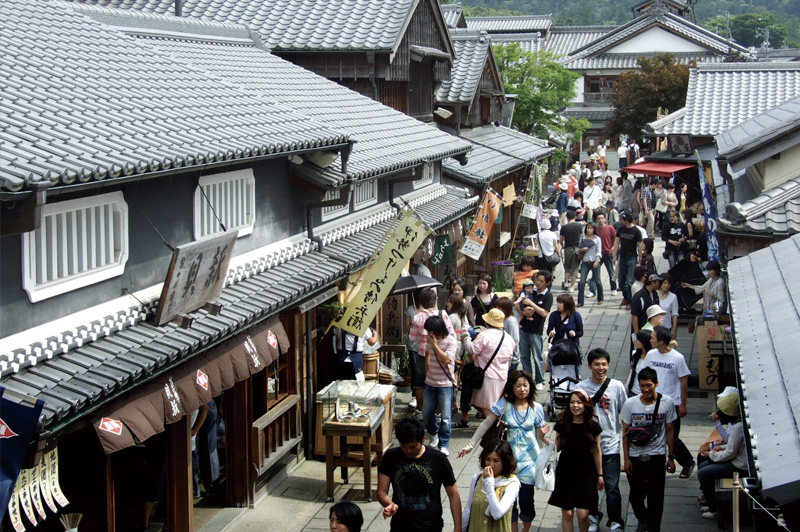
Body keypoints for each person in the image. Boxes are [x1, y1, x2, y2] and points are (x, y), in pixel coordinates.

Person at [459, 370, 549, 532]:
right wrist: (470, 445)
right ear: (511, 388)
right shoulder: (504, 405)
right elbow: (486, 424)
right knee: (509, 502)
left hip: (529, 463)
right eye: (518, 386)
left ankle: (526, 529)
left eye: (525, 385)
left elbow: (539, 437)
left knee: (527, 502)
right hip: (508, 462)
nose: (522, 389)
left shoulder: (536, 408)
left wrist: (544, 453)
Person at [378, 417, 462, 532]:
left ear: (423, 438)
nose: (408, 451)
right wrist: (390, 504)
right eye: (404, 446)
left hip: (430, 526)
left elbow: (453, 494)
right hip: (400, 525)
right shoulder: (391, 457)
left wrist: (458, 527)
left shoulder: (438, 459)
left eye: (412, 447)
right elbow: (381, 491)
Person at [576, 349, 628, 532]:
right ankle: (593, 517)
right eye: (597, 364)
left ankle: (615, 520)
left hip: (610, 445)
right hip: (588, 447)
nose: (601, 368)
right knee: (590, 485)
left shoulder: (617, 387)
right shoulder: (580, 389)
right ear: (589, 366)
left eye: (604, 364)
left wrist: (625, 443)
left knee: (612, 486)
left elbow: (624, 415)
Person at [620, 367, 677, 532]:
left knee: (656, 497)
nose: (645, 389)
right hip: (636, 456)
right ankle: (643, 519)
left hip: (657, 456)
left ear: (656, 384)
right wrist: (626, 459)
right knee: (635, 497)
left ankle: (653, 527)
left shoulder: (667, 403)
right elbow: (625, 433)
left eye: (649, 386)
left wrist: (671, 457)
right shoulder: (631, 404)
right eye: (642, 386)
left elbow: (670, 430)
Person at [547, 389, 604, 532]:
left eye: (579, 402)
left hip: (586, 473)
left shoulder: (593, 426)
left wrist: (600, 474)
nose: (575, 406)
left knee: (583, 514)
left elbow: (597, 451)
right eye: (572, 402)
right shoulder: (562, 424)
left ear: (586, 405)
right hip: (566, 471)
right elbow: (557, 447)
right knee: (567, 513)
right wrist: (543, 438)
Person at [645, 326, 695, 479]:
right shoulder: (651, 354)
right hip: (653, 401)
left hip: (671, 402)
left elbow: (684, 381)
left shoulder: (677, 358)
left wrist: (683, 404)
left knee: (671, 436)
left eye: (653, 337)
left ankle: (687, 462)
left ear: (661, 341)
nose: (650, 340)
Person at [696, 392, 747, 520]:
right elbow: (732, 445)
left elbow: (730, 452)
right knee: (703, 466)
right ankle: (710, 500)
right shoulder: (738, 424)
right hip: (737, 459)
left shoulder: (738, 427)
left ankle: (715, 510)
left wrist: (711, 455)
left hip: (739, 465)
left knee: (703, 473)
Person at [409, 287, 456, 413]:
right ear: (436, 299)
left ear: (421, 302)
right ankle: (439, 412)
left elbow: (412, 338)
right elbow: (452, 334)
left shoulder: (417, 317)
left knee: (420, 383)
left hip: (422, 353)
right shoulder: (443, 314)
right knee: (440, 383)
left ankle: (420, 410)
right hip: (441, 352)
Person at [461, 440, 521, 532]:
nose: (490, 464)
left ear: (504, 462)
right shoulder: (477, 479)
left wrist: (489, 483)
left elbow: (497, 513)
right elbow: (468, 509)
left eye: (496, 461)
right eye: (488, 459)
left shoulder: (512, 484)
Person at [468, 309, 517, 417]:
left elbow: (472, 350)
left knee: (489, 411)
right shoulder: (508, 338)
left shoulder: (484, 335)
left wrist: (466, 337)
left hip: (487, 377)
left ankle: (492, 432)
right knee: (498, 408)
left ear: (487, 322)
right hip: (502, 377)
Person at [423, 315, 459, 455]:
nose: (428, 334)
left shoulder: (450, 341)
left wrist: (435, 345)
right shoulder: (430, 340)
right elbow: (427, 352)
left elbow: (446, 360)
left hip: (445, 384)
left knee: (445, 417)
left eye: (429, 331)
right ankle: (434, 433)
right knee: (426, 413)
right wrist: (427, 364)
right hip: (430, 382)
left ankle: (444, 444)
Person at [516, 271, 554, 390]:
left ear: (547, 283)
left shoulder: (548, 296)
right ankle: (527, 378)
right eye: (537, 280)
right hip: (524, 328)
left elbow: (543, 313)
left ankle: (540, 380)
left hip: (536, 330)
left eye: (541, 281)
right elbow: (518, 305)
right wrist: (523, 313)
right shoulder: (530, 291)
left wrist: (530, 303)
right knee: (524, 356)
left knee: (537, 356)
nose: (537, 283)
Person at [449, 294, 475, 429]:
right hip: (463, 348)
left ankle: (453, 403)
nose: (447, 305)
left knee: (453, 376)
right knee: (458, 377)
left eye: (449, 302)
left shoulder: (452, 317)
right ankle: (456, 404)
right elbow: (467, 329)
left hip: (453, 349)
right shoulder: (462, 315)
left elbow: (448, 333)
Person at [611, 211, 642, 306]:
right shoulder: (620, 229)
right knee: (621, 280)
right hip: (622, 257)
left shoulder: (636, 231)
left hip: (632, 257)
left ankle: (629, 300)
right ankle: (625, 297)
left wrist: (640, 259)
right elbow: (616, 242)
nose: (621, 220)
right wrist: (614, 255)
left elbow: (640, 246)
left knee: (630, 281)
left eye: (622, 219)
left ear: (627, 220)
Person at [577, 222, 603, 307]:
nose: (589, 230)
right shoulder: (583, 238)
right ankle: (580, 301)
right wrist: (582, 250)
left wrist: (597, 261)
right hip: (585, 261)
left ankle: (600, 298)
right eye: (588, 228)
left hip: (594, 261)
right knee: (581, 282)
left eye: (591, 228)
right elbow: (578, 250)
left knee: (597, 280)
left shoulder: (597, 239)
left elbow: (599, 251)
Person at [594, 213, 617, 296]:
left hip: (608, 253)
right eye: (598, 218)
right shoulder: (595, 230)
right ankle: (592, 290)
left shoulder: (610, 228)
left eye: (601, 218)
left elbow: (616, 239)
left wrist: (613, 248)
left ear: (605, 219)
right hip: (598, 254)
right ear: (596, 220)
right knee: (595, 273)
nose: (600, 220)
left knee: (611, 273)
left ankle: (614, 288)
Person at [560, 210, 583, 292]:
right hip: (576, 248)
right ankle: (572, 287)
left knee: (567, 266)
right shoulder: (579, 226)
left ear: (567, 218)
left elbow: (561, 239)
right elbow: (582, 237)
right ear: (575, 217)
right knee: (575, 268)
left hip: (567, 248)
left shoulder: (564, 227)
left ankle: (566, 282)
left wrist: (563, 246)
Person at [626, 331, 653, 397]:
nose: (636, 341)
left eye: (638, 340)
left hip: (646, 393)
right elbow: (632, 373)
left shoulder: (653, 358)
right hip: (633, 391)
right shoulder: (635, 354)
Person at [496, 297, 520, 371]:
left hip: (511, 359)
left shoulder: (511, 321)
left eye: (499, 308)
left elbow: (515, 340)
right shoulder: (503, 319)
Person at [655, 274, 679, 340]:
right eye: (664, 283)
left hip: (667, 327)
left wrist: (674, 330)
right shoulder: (654, 294)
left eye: (668, 284)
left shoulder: (673, 297)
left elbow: (675, 314)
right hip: (655, 328)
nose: (666, 285)